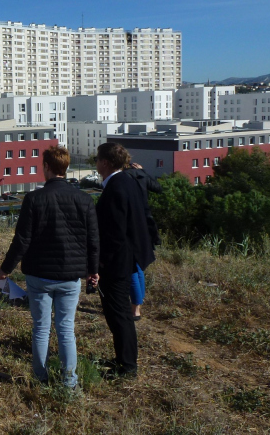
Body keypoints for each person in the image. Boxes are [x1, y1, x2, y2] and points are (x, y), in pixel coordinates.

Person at [0, 146, 99, 389]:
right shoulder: (84, 199)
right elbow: (93, 241)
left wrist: (5, 269)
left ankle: (40, 379)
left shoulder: (34, 199)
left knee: (41, 329)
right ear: (66, 167)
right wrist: (93, 270)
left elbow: (22, 239)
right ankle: (69, 383)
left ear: (46, 167)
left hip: (39, 275)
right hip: (71, 276)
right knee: (66, 330)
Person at [94, 143, 154, 379]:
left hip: (116, 263)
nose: (96, 163)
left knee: (118, 315)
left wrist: (101, 263)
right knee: (118, 314)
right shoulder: (127, 181)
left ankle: (127, 367)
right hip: (125, 258)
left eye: (98, 160)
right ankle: (123, 359)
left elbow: (115, 233)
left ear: (106, 163)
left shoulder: (117, 187)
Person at [122, 161, 163, 320]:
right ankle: (138, 303)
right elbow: (158, 188)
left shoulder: (122, 178)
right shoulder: (140, 175)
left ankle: (135, 308)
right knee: (139, 265)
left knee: (132, 266)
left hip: (130, 223)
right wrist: (144, 171)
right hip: (145, 223)